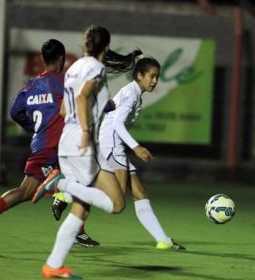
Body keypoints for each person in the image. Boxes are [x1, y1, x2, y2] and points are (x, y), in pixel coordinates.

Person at [31, 25, 142, 279]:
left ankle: (53, 266)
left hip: (66, 144)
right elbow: (81, 98)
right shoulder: (95, 68)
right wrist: (84, 130)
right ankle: (62, 184)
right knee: (117, 204)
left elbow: (62, 111)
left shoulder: (73, 69)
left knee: (81, 209)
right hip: (81, 145)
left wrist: (92, 114)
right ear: (105, 45)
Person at [53, 56, 186, 251]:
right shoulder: (130, 94)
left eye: (157, 77)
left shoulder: (134, 92)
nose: (155, 81)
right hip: (112, 143)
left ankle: (163, 240)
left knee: (139, 191)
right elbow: (117, 124)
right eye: (151, 76)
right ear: (139, 75)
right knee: (117, 197)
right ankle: (66, 193)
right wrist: (136, 147)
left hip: (111, 143)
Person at [0, 39, 99, 247]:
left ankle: (76, 226)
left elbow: (14, 112)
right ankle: (62, 199)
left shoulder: (30, 85)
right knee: (76, 183)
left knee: (73, 183)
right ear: (62, 59)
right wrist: (109, 105)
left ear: (43, 59)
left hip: (43, 146)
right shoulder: (63, 81)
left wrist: (32, 127)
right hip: (57, 146)